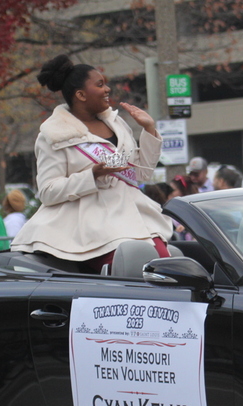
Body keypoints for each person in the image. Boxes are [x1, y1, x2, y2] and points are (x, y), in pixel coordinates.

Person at [10, 54, 171, 273]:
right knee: (131, 270)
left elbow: (141, 174)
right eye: (100, 84)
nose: (107, 89)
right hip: (91, 229)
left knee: (163, 268)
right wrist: (92, 176)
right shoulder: (53, 134)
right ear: (81, 95)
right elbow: (47, 192)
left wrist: (149, 129)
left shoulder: (116, 123)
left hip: (134, 217)